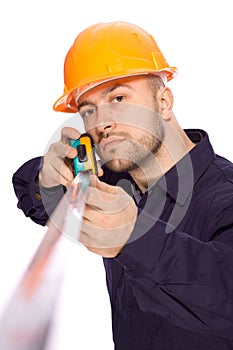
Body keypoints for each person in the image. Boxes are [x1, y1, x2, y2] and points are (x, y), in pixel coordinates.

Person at [12, 21, 233, 349]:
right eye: (89, 109)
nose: (101, 122)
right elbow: (28, 190)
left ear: (164, 102)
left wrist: (133, 237)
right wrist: (47, 177)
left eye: (118, 97)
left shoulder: (224, 195)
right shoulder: (114, 184)